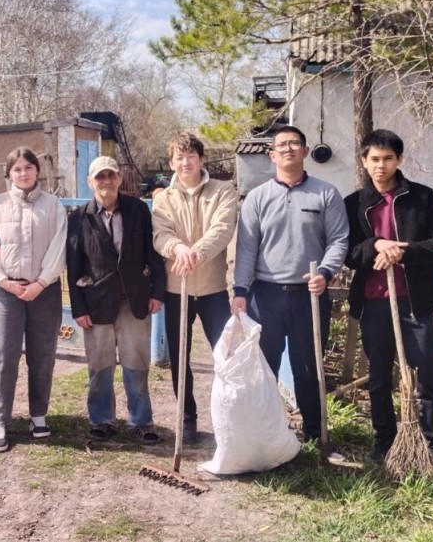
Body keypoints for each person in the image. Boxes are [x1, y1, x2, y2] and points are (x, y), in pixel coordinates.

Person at [343, 129, 433, 470]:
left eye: (388, 159)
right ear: (364, 161)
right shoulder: (354, 203)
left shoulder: (421, 198)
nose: (381, 166)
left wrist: (401, 251)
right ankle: (384, 442)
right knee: (379, 375)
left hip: (415, 301)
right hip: (374, 301)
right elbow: (347, 252)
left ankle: (432, 446)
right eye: (374, 159)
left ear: (400, 160)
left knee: (425, 374)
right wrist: (376, 245)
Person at [231, 125, 349, 444]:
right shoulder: (257, 198)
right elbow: (246, 248)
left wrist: (325, 272)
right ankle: (266, 431)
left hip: (308, 296)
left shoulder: (326, 194)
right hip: (264, 296)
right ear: (271, 155)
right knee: (263, 368)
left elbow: (339, 240)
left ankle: (313, 434)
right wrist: (240, 291)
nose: (287, 149)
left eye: (294, 143)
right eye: (281, 145)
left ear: (305, 151)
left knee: (308, 368)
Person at [68, 156, 166, 444]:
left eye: (111, 175)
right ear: (90, 182)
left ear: (119, 179)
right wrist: (78, 307)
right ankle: (101, 420)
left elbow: (153, 252)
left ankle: (141, 421)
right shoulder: (79, 217)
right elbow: (72, 266)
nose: (106, 182)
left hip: (134, 300)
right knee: (99, 365)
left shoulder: (137, 210)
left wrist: (156, 292)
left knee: (137, 363)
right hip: (96, 303)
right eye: (100, 177)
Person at [0, 147, 67, 453]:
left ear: (36, 171)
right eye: (17, 169)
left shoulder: (54, 206)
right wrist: (5, 282)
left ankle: (38, 414)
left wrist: (41, 282)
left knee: (42, 354)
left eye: (28, 167)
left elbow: (59, 248)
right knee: (3, 357)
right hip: (6, 292)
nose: (23, 174)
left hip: (44, 291)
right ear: (8, 174)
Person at [152, 132, 237, 442]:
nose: (184, 162)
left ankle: (228, 417)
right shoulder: (163, 198)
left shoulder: (222, 191)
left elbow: (223, 229)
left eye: (190, 156)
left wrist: (195, 251)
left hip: (213, 288)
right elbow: (160, 235)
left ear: (201, 159)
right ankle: (186, 418)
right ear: (172, 162)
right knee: (179, 356)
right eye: (178, 157)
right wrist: (178, 249)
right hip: (177, 290)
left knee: (225, 356)